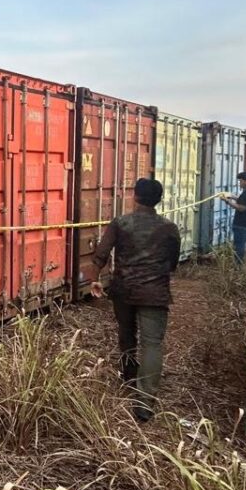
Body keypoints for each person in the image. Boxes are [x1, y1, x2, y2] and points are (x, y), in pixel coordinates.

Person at [91, 178, 181, 423]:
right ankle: (144, 403)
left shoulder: (121, 223)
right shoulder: (169, 228)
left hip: (124, 290)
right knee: (152, 344)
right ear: (159, 200)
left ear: (135, 196)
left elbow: (101, 254)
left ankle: (128, 377)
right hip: (155, 293)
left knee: (126, 333)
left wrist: (95, 279)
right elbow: (173, 262)